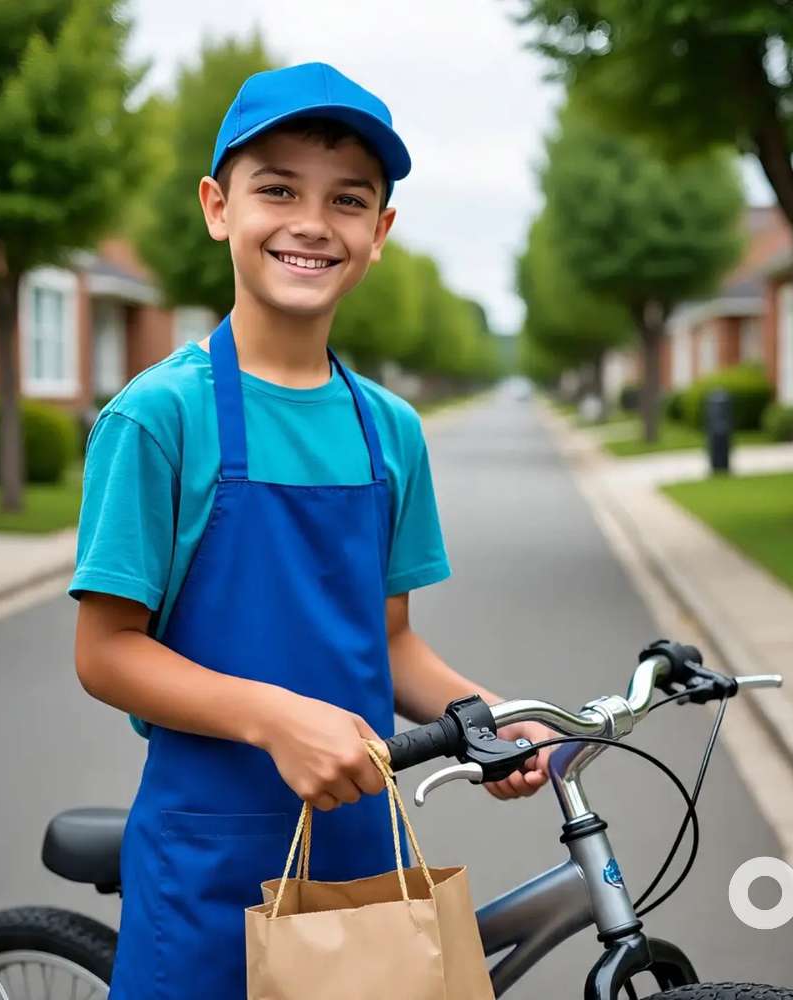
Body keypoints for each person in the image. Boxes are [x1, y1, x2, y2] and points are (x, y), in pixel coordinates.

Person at [69, 62, 556, 998]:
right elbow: (106, 653)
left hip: (361, 858)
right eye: (277, 188)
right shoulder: (159, 420)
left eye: (348, 199)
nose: (310, 221)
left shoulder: (390, 431)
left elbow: (390, 643)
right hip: (204, 871)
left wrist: (491, 717)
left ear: (379, 233)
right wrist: (275, 719)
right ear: (219, 208)